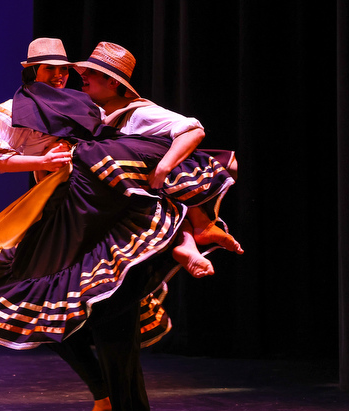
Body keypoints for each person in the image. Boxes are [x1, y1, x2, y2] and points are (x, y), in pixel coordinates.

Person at [0, 40, 236, 411]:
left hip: (104, 217)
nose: (61, 76)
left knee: (109, 318)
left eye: (66, 70)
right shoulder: (12, 111)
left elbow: (185, 136)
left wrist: (162, 167)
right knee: (51, 308)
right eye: (50, 69)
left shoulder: (109, 109)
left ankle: (190, 239)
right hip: (69, 217)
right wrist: (41, 162)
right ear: (29, 68)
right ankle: (106, 398)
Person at [76, 42, 243, 271]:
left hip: (145, 203)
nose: (83, 76)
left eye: (91, 72)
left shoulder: (138, 112)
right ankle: (193, 236)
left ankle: (193, 236)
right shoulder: (101, 113)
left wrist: (163, 168)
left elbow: (193, 129)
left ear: (113, 82)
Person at [0, 38, 74, 183]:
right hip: (53, 189)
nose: (58, 74)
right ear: (34, 72)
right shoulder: (20, 109)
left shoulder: (76, 104)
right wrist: (43, 161)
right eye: (49, 68)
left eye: (63, 68)